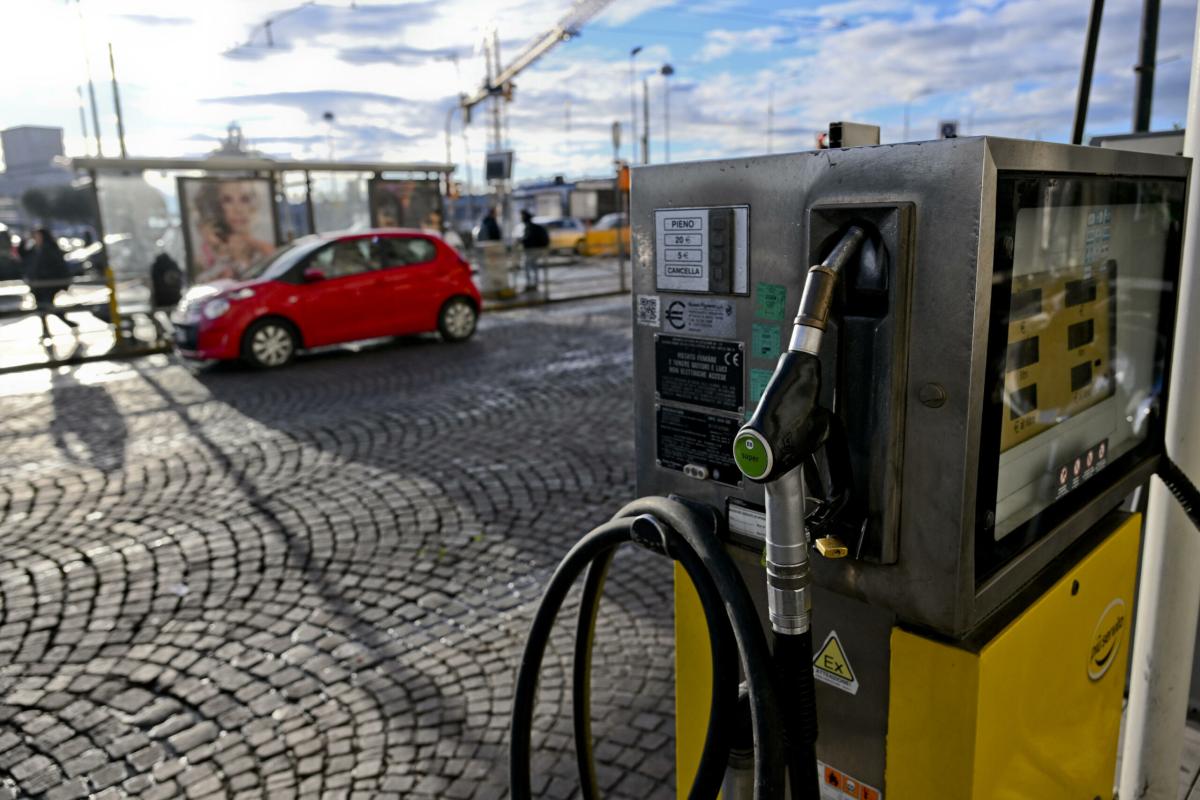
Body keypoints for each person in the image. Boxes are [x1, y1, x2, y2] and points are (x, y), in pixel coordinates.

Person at [191, 179, 276, 283]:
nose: (238, 209)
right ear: (216, 207)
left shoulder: (264, 250)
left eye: (245, 199)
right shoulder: (206, 256)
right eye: (227, 200)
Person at [26, 228, 77, 339]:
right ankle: (46, 330)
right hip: (37, 285)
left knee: (46, 306)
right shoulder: (35, 249)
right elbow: (25, 259)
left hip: (47, 284)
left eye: (38, 236)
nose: (37, 238)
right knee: (42, 308)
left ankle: (63, 323)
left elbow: (57, 266)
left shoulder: (49, 249)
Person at [520, 210, 549, 292]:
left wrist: (522, 241)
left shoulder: (529, 227)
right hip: (535, 251)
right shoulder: (531, 226)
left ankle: (531, 285)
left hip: (532, 251)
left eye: (522, 216)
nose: (521, 218)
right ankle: (533, 284)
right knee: (533, 267)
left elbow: (528, 239)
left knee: (528, 267)